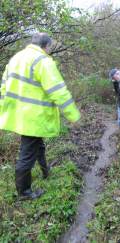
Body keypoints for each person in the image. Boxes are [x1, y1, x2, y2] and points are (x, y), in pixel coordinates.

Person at [0, 33, 81, 200]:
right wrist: (73, 116)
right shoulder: (43, 61)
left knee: (38, 145)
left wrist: (3, 110)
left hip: (18, 114)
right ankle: (24, 192)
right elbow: (59, 91)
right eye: (50, 47)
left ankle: (46, 171)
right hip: (34, 116)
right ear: (47, 46)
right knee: (27, 154)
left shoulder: (16, 58)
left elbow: (3, 87)